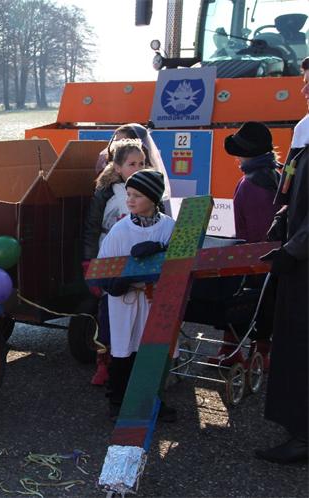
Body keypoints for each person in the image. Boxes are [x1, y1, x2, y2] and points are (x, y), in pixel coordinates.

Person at [255, 57, 309, 464]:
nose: (303, 89)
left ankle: (304, 436)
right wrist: (283, 215)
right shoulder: (304, 129)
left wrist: (293, 250)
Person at [97, 170, 177, 422]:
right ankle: (118, 402)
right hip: (126, 301)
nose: (130, 200)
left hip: (155, 299)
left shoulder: (169, 227)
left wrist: (160, 252)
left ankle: (152, 401)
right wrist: (122, 280)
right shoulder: (120, 230)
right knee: (124, 351)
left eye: (137, 196)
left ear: (153, 199)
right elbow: (103, 266)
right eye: (129, 194)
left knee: (153, 352)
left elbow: (179, 262)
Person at [213, 122, 281, 368]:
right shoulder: (274, 175)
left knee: (244, 302)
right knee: (265, 303)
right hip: (274, 255)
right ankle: (250, 351)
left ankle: (240, 352)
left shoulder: (252, 183)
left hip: (255, 256)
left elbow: (257, 233)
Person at [83, 139, 148, 386]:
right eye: (132, 164)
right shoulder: (105, 192)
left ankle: (133, 363)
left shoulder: (150, 188)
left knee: (137, 307)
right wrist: (90, 263)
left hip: (140, 257)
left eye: (141, 163)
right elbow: (91, 228)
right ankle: (104, 363)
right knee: (108, 310)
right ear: (118, 167)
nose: (138, 168)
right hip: (109, 254)